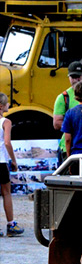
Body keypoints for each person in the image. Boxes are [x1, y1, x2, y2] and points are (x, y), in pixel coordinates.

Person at [0, 93, 24, 236]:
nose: (9, 105)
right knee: (6, 193)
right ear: (1, 106)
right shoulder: (5, 122)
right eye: (7, 103)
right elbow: (7, 142)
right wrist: (13, 160)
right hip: (1, 161)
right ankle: (11, 225)